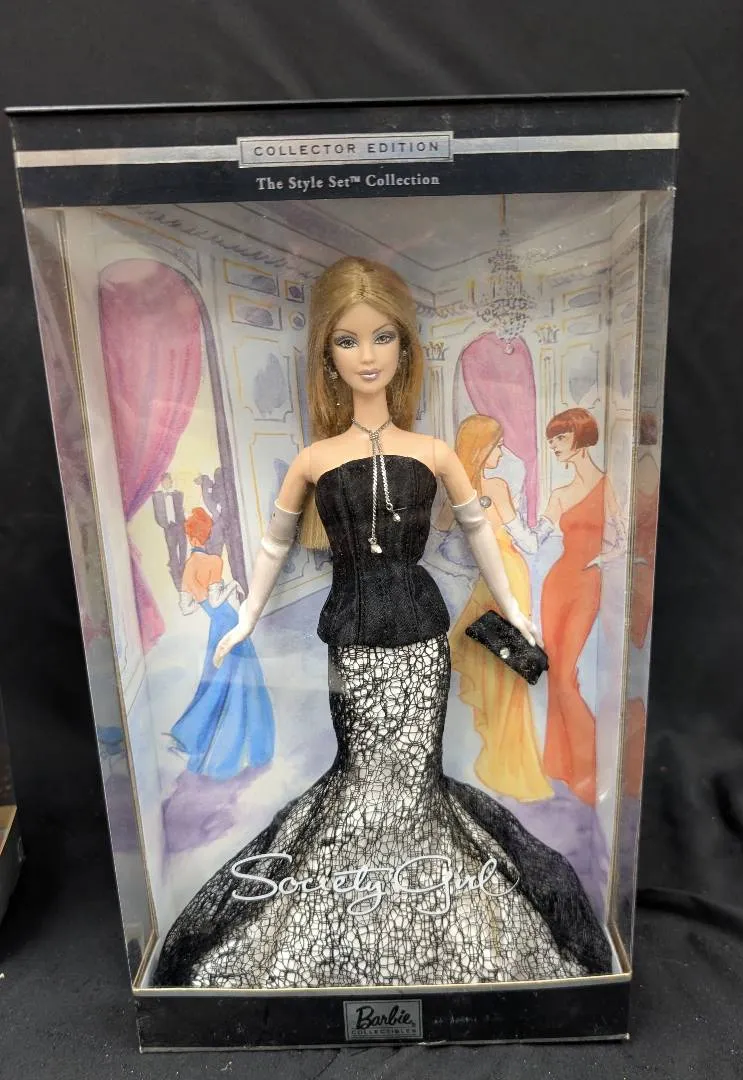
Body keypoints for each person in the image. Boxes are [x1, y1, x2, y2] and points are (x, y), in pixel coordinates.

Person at [154, 257, 610, 989]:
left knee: (417, 779)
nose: (366, 356)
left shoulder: (432, 453)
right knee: (363, 772)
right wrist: (243, 617)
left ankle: (429, 905)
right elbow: (272, 543)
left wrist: (516, 608)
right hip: (353, 640)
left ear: (404, 348)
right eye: (347, 341)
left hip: (421, 639)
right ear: (327, 357)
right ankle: (349, 905)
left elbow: (480, 530)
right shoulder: (314, 459)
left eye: (382, 337)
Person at [445, 414, 553, 802]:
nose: (502, 452)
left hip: (490, 581)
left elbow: (440, 541)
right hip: (506, 575)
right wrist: (548, 523)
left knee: (495, 662)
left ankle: (502, 759)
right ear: (481, 449)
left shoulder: (455, 492)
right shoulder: (496, 488)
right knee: (507, 666)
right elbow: (529, 543)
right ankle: (504, 761)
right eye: (497, 446)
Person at [538, 408, 624, 807]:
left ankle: (591, 769)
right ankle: (562, 765)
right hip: (556, 586)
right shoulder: (559, 495)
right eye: (551, 440)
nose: (554, 445)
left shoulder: (607, 485)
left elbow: (624, 540)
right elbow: (534, 539)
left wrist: (601, 560)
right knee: (559, 675)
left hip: (587, 585)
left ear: (580, 437)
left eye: (560, 437)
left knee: (565, 676)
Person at [168, 507, 274, 780]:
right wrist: (233, 586)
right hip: (227, 622)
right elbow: (217, 602)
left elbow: (186, 608)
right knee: (241, 681)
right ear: (206, 535)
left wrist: (202, 599)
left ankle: (192, 737)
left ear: (190, 537)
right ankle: (248, 750)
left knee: (216, 682)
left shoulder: (188, 567)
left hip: (215, 626)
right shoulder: (213, 561)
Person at [151, 472, 186, 590]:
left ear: (171, 482)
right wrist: (165, 525)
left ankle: (183, 571)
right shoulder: (157, 496)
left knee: (183, 548)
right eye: (164, 481)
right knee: (172, 551)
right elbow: (157, 514)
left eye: (168, 481)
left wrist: (182, 522)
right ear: (161, 483)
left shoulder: (178, 494)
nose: (166, 483)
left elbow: (181, 510)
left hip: (179, 526)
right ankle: (176, 576)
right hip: (169, 528)